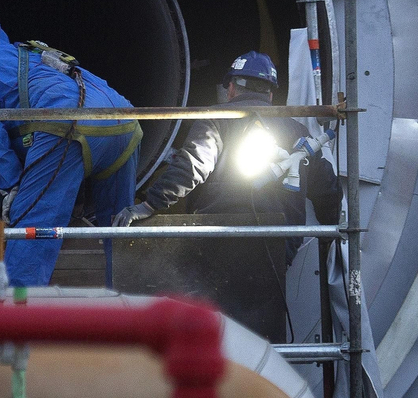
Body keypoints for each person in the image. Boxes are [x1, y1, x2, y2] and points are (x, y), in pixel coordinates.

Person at [0, 17, 141, 287]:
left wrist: (11, 183)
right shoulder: (28, 51)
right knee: (119, 231)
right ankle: (133, 301)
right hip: (126, 122)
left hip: (67, 123)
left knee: (31, 230)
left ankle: (17, 309)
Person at [114, 51, 341, 257]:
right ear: (271, 94)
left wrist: (149, 205)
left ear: (231, 88)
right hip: (280, 244)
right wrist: (329, 232)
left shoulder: (217, 119)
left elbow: (192, 166)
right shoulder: (297, 132)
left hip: (220, 237)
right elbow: (327, 187)